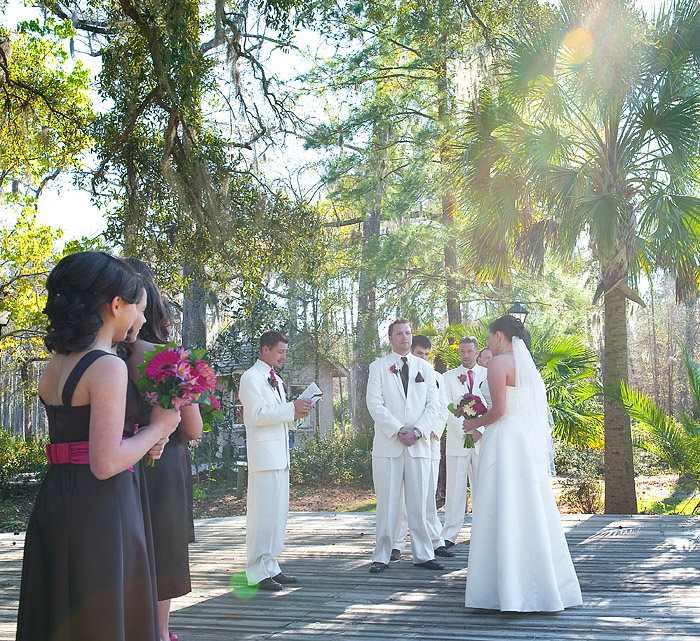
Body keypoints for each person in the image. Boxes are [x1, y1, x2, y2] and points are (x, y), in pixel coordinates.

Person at [16, 251, 181, 641]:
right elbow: (105, 462)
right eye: (137, 307)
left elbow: (78, 440)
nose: (141, 319)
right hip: (101, 508)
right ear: (116, 305)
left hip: (56, 499)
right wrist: (159, 428)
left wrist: (140, 441)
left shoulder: (56, 364)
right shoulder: (108, 366)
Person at [463, 315, 582, 611]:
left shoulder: (499, 363)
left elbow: (500, 410)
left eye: (489, 337)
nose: (487, 343)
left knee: (500, 504)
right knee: (528, 505)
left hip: (504, 438)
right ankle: (540, 585)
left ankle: (501, 588)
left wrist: (474, 422)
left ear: (499, 336)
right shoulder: (527, 365)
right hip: (523, 440)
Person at [123, 258, 203, 641]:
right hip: (161, 462)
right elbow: (192, 427)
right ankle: (159, 633)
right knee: (159, 555)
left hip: (119, 461)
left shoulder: (104, 354)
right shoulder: (158, 356)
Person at [366, 318, 442, 574]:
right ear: (390, 338)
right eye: (399, 334)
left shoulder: (426, 368)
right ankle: (382, 555)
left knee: (419, 503)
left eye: (408, 333)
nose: (405, 338)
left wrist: (418, 431)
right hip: (389, 445)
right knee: (387, 503)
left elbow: (434, 405)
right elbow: (375, 405)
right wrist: (399, 430)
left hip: (418, 445)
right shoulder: (378, 367)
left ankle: (423, 554)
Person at [238, 330, 312, 591]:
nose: (283, 356)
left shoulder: (276, 380)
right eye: (280, 351)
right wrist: (292, 408)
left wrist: (297, 412)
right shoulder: (250, 378)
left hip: (280, 455)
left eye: (284, 352)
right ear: (265, 349)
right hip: (263, 457)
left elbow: (277, 416)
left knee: (278, 515)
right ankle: (256, 571)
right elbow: (257, 415)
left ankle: (271, 565)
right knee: (262, 516)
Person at [391, 334, 453, 561]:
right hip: (405, 440)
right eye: (419, 354)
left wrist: (429, 431)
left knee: (427, 494)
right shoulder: (399, 374)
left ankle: (435, 541)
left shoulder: (436, 376)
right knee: (401, 496)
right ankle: (397, 542)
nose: (424, 359)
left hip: (430, 442)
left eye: (427, 355)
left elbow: (442, 408)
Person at [440, 336, 487, 547]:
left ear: (477, 352)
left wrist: (480, 430)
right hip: (457, 441)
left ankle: (481, 532)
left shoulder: (488, 374)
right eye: (462, 351)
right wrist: (465, 431)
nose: (465, 355)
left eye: (469, 351)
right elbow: (446, 408)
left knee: (482, 488)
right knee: (455, 489)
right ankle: (449, 534)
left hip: (482, 442)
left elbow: (494, 405)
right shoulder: (448, 377)